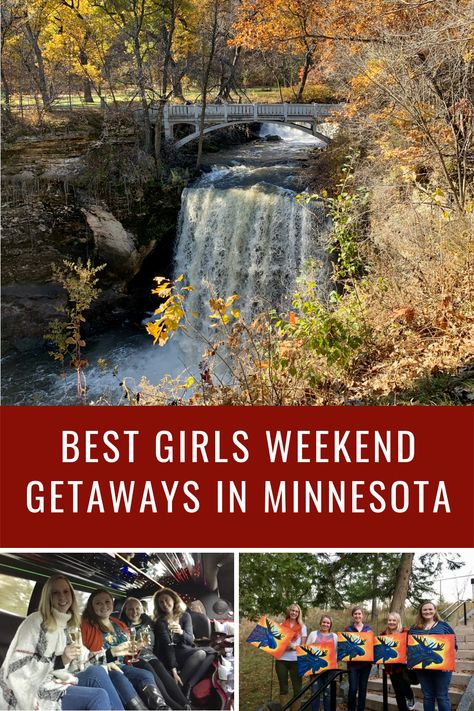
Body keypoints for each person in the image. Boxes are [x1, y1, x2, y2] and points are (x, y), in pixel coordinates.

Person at [0, 574, 124, 711]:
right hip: (38, 686)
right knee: (98, 696)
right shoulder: (36, 622)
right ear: (48, 597)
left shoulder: (71, 625)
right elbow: (20, 665)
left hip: (62, 680)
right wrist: (61, 660)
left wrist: (111, 653)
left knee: (97, 671)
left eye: (66, 591)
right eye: (55, 593)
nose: (62, 597)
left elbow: (84, 659)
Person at [81, 588, 168, 710]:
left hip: (123, 665)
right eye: (98, 603)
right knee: (119, 678)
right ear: (92, 606)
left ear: (112, 603)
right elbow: (85, 655)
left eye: (107, 602)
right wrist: (105, 661)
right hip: (105, 667)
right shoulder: (86, 625)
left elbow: (128, 649)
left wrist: (137, 647)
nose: (104, 606)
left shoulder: (118, 623)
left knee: (146, 674)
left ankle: (162, 708)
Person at [120, 597, 190, 710]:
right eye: (130, 609)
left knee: (162, 671)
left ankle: (186, 704)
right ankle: (175, 706)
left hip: (150, 655)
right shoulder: (121, 626)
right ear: (125, 611)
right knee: (152, 674)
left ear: (142, 609)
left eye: (137, 608)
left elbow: (164, 640)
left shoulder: (150, 622)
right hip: (134, 657)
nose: (134, 612)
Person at [152, 588, 216, 700]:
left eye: (166, 600)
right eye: (161, 602)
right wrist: (174, 671)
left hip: (185, 650)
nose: (164, 604)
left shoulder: (185, 616)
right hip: (170, 654)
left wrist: (181, 632)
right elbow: (168, 646)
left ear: (173, 600)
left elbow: (190, 640)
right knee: (202, 653)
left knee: (212, 653)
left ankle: (189, 685)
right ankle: (179, 687)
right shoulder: (160, 622)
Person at [409, 601, 456, 711]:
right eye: (425, 609)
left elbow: (454, 644)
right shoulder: (414, 628)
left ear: (435, 611)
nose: (428, 611)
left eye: (430, 609)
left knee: (442, 697)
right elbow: (409, 645)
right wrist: (411, 660)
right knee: (428, 696)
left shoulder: (443, 626)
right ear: (421, 612)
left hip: (442, 669)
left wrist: (448, 661)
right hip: (423, 668)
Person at [275, 603, 307, 711]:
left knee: (297, 688)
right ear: (289, 612)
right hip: (281, 660)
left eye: (296, 611)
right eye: (292, 610)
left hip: (296, 660)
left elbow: (302, 647)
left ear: (299, 614)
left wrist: (293, 647)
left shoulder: (303, 627)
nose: (294, 613)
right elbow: (276, 644)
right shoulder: (281, 625)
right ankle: (285, 709)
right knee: (283, 688)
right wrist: (283, 646)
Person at [380, 612, 415, 711]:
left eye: (394, 620)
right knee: (398, 693)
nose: (391, 622)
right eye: (390, 620)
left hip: (404, 667)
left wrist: (409, 657)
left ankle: (410, 696)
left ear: (398, 621)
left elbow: (413, 646)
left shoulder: (405, 632)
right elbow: (381, 649)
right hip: (391, 667)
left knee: (404, 688)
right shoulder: (384, 634)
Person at [344, 606, 373, 711]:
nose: (357, 616)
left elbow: (371, 645)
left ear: (362, 615)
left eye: (359, 614)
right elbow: (345, 647)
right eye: (355, 614)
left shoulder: (368, 629)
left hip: (366, 664)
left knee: (363, 688)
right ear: (353, 616)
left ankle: (361, 709)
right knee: (352, 689)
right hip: (353, 665)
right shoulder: (348, 629)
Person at [307, 615, 338, 711]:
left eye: (328, 623)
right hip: (315, 669)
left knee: (328, 693)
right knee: (315, 693)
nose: (325, 624)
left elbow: (336, 653)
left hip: (330, 670)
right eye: (324, 622)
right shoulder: (313, 634)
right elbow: (306, 650)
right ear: (320, 623)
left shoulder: (335, 636)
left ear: (331, 625)